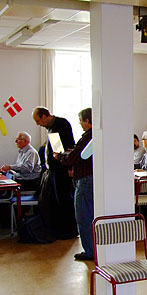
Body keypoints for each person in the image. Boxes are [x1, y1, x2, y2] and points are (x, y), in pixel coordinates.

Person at [32, 106, 78, 239]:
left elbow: (67, 147)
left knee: (64, 199)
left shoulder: (60, 124)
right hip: (54, 171)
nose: (38, 124)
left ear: (44, 116)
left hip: (61, 170)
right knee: (56, 201)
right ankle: (60, 229)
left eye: (38, 120)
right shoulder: (51, 127)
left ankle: (69, 230)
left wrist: (70, 168)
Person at [55, 108, 94, 261]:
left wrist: (60, 157)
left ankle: (90, 251)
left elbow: (72, 159)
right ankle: (93, 249)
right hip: (90, 180)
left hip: (85, 182)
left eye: (81, 122)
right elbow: (79, 154)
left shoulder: (88, 136)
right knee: (89, 215)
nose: (80, 124)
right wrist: (73, 152)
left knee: (84, 217)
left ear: (87, 121)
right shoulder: (94, 136)